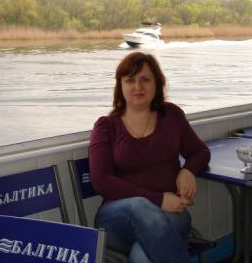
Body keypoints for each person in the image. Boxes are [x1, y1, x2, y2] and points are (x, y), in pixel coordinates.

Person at [89, 52, 210, 263]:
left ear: (157, 83)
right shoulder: (106, 126)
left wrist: (188, 170)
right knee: (139, 206)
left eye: (145, 79)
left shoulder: (171, 115)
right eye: (130, 80)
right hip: (117, 219)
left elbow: (200, 152)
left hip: (172, 213)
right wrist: (158, 200)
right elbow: (101, 181)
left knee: (143, 257)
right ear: (120, 86)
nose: (138, 86)